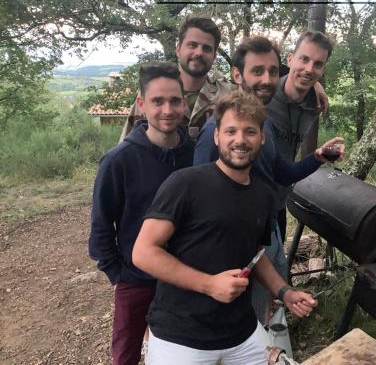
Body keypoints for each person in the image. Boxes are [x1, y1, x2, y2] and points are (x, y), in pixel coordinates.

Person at [132, 91, 317, 364]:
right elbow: (143, 253)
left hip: (241, 332)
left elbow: (256, 255)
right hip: (180, 335)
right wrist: (209, 284)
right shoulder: (185, 183)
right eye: (231, 131)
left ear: (262, 138)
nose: (240, 140)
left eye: (250, 132)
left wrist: (285, 292)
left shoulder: (263, 195)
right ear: (217, 136)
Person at [193, 36, 344, 324]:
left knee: (260, 309)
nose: (267, 79)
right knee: (229, 316)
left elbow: (281, 174)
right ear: (237, 75)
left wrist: (318, 157)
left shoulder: (264, 126)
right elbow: (198, 197)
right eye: (257, 72)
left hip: (265, 228)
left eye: (273, 72)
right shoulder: (216, 129)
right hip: (227, 239)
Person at [88, 62, 194, 365]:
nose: (167, 109)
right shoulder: (118, 160)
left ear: (185, 104)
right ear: (141, 105)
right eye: (157, 101)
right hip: (136, 280)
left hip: (184, 277)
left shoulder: (195, 153)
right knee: (125, 354)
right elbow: (101, 226)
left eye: (174, 100)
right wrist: (119, 273)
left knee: (182, 352)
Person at [266, 30, 334, 242]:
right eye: (304, 59)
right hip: (248, 202)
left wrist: (315, 85)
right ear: (290, 59)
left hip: (279, 201)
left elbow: (306, 76)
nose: (309, 69)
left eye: (318, 64)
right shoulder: (264, 90)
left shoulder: (315, 105)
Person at [120, 16, 231, 141]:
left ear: (214, 55)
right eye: (192, 45)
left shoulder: (228, 97)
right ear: (178, 49)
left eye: (206, 48)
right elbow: (126, 147)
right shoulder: (152, 94)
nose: (199, 52)